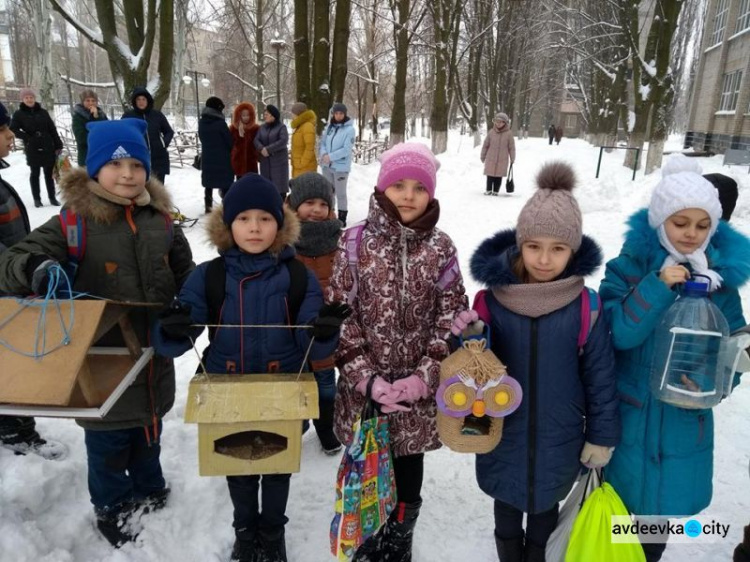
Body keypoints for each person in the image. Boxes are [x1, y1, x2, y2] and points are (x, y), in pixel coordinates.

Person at [0, 119, 195, 548]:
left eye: (136, 164)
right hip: (100, 363)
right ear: (94, 168)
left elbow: (186, 273)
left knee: (150, 427)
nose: (127, 173)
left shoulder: (161, 221)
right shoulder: (73, 222)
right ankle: (112, 506)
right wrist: (36, 268)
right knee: (107, 444)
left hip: (153, 354)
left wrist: (189, 310)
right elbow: (15, 257)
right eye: (115, 163)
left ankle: (150, 484)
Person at [152, 173, 350, 562]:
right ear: (228, 225)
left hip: (283, 385)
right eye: (244, 218)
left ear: (279, 224)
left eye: (264, 218)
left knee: (276, 467)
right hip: (227, 384)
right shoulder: (209, 274)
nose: (255, 227)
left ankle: (273, 533)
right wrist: (174, 326)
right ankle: (245, 530)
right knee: (238, 466)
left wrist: (323, 330)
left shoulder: (297, 275)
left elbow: (309, 335)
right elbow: (181, 332)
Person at [455, 161, 619, 562]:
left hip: (558, 438)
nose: (544, 259)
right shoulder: (491, 300)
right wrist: (470, 338)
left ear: (573, 250)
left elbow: (600, 378)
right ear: (520, 244)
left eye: (558, 248)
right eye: (534, 247)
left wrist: (601, 436)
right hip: (502, 430)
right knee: (506, 507)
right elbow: (472, 368)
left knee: (545, 513)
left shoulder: (586, 306)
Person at [599, 155, 750, 562]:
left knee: (656, 530)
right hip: (630, 416)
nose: (691, 235)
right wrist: (657, 286)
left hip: (685, 423)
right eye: (680, 223)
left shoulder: (720, 283)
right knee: (616, 522)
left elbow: (737, 350)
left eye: (703, 226)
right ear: (660, 219)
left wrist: (712, 382)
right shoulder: (629, 269)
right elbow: (616, 334)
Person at [328, 142, 470, 561]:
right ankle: (369, 537)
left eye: (419, 187)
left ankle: (399, 539)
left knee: (407, 470)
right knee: (368, 470)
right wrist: (365, 379)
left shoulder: (441, 247)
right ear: (381, 188)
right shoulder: (354, 242)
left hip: (415, 398)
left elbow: (451, 316)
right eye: (398, 185)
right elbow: (341, 316)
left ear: (431, 193)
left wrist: (423, 378)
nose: (408, 195)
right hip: (364, 396)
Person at [0, 101, 67, 461]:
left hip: (8, 288)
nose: (11, 136)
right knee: (6, 363)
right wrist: (28, 268)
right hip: (5, 289)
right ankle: (14, 433)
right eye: (2, 130)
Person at [286, 172, 343, 454]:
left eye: (323, 203)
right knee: (296, 380)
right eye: (309, 202)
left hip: (326, 330)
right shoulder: (282, 242)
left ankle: (326, 427)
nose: (317, 210)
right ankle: (298, 423)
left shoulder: (340, 242)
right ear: (294, 205)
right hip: (292, 328)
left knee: (325, 384)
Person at [9, 88, 63, 207]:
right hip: (32, 147)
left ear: (34, 98)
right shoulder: (19, 114)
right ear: (23, 99)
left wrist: (58, 143)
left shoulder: (43, 112)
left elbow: (52, 128)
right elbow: (13, 128)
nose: (29, 99)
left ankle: (52, 197)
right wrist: (27, 137)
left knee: (49, 174)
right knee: (35, 173)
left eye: (31, 97)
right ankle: (37, 199)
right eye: (26, 98)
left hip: (47, 145)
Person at [122, 87, 174, 184]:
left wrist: (163, 143)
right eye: (138, 99)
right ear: (134, 101)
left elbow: (169, 131)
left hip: (157, 158)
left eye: (143, 99)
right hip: (137, 158)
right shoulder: (128, 116)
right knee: (140, 189)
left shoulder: (157, 115)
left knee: (158, 189)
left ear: (148, 100)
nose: (141, 102)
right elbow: (121, 135)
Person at [319, 102, 355, 226]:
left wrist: (331, 156)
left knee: (340, 193)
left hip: (340, 167)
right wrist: (324, 155)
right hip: (327, 166)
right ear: (333, 114)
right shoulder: (330, 128)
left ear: (344, 114)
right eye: (336, 113)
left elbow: (346, 149)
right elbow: (323, 143)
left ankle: (342, 218)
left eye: (341, 113)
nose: (338, 116)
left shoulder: (349, 130)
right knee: (329, 192)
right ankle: (330, 214)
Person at [198, 96, 234, 213]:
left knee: (209, 184)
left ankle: (208, 207)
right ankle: (227, 205)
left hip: (208, 157)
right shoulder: (220, 123)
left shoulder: (202, 122)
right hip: (223, 159)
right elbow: (229, 141)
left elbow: (202, 138)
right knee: (225, 183)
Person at [254, 104, 289, 197]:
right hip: (265, 163)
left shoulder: (281, 127)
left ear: (273, 115)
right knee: (266, 189)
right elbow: (256, 140)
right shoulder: (262, 127)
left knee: (279, 189)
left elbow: (283, 141)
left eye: (267, 114)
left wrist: (268, 150)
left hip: (279, 163)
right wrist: (261, 148)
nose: (265, 115)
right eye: (265, 114)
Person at [481, 112, 515, 196]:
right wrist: (483, 155)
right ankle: (488, 189)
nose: (498, 123)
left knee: (498, 176)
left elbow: (511, 147)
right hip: (491, 158)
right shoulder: (491, 132)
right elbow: (485, 145)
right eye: (496, 121)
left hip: (502, 159)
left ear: (505, 123)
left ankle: (496, 190)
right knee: (490, 174)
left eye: (500, 122)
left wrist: (512, 158)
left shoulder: (509, 134)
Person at [71, 89, 108, 166]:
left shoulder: (101, 115)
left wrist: (96, 117)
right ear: (83, 102)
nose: (91, 103)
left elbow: (107, 130)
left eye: (93, 100)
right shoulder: (78, 116)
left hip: (102, 155)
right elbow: (81, 137)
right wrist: (99, 137)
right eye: (87, 100)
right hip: (86, 156)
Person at [230, 102, 260, 179]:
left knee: (252, 184)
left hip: (251, 162)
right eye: (243, 115)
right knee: (240, 184)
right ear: (239, 116)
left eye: (248, 115)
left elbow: (258, 143)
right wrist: (240, 136)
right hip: (238, 162)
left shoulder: (256, 128)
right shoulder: (233, 128)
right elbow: (230, 144)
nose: (246, 117)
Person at [289, 102, 317, 179]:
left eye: (293, 113)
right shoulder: (300, 126)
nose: (292, 115)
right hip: (299, 167)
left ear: (298, 114)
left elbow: (309, 147)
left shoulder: (307, 126)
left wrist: (302, 163)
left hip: (305, 168)